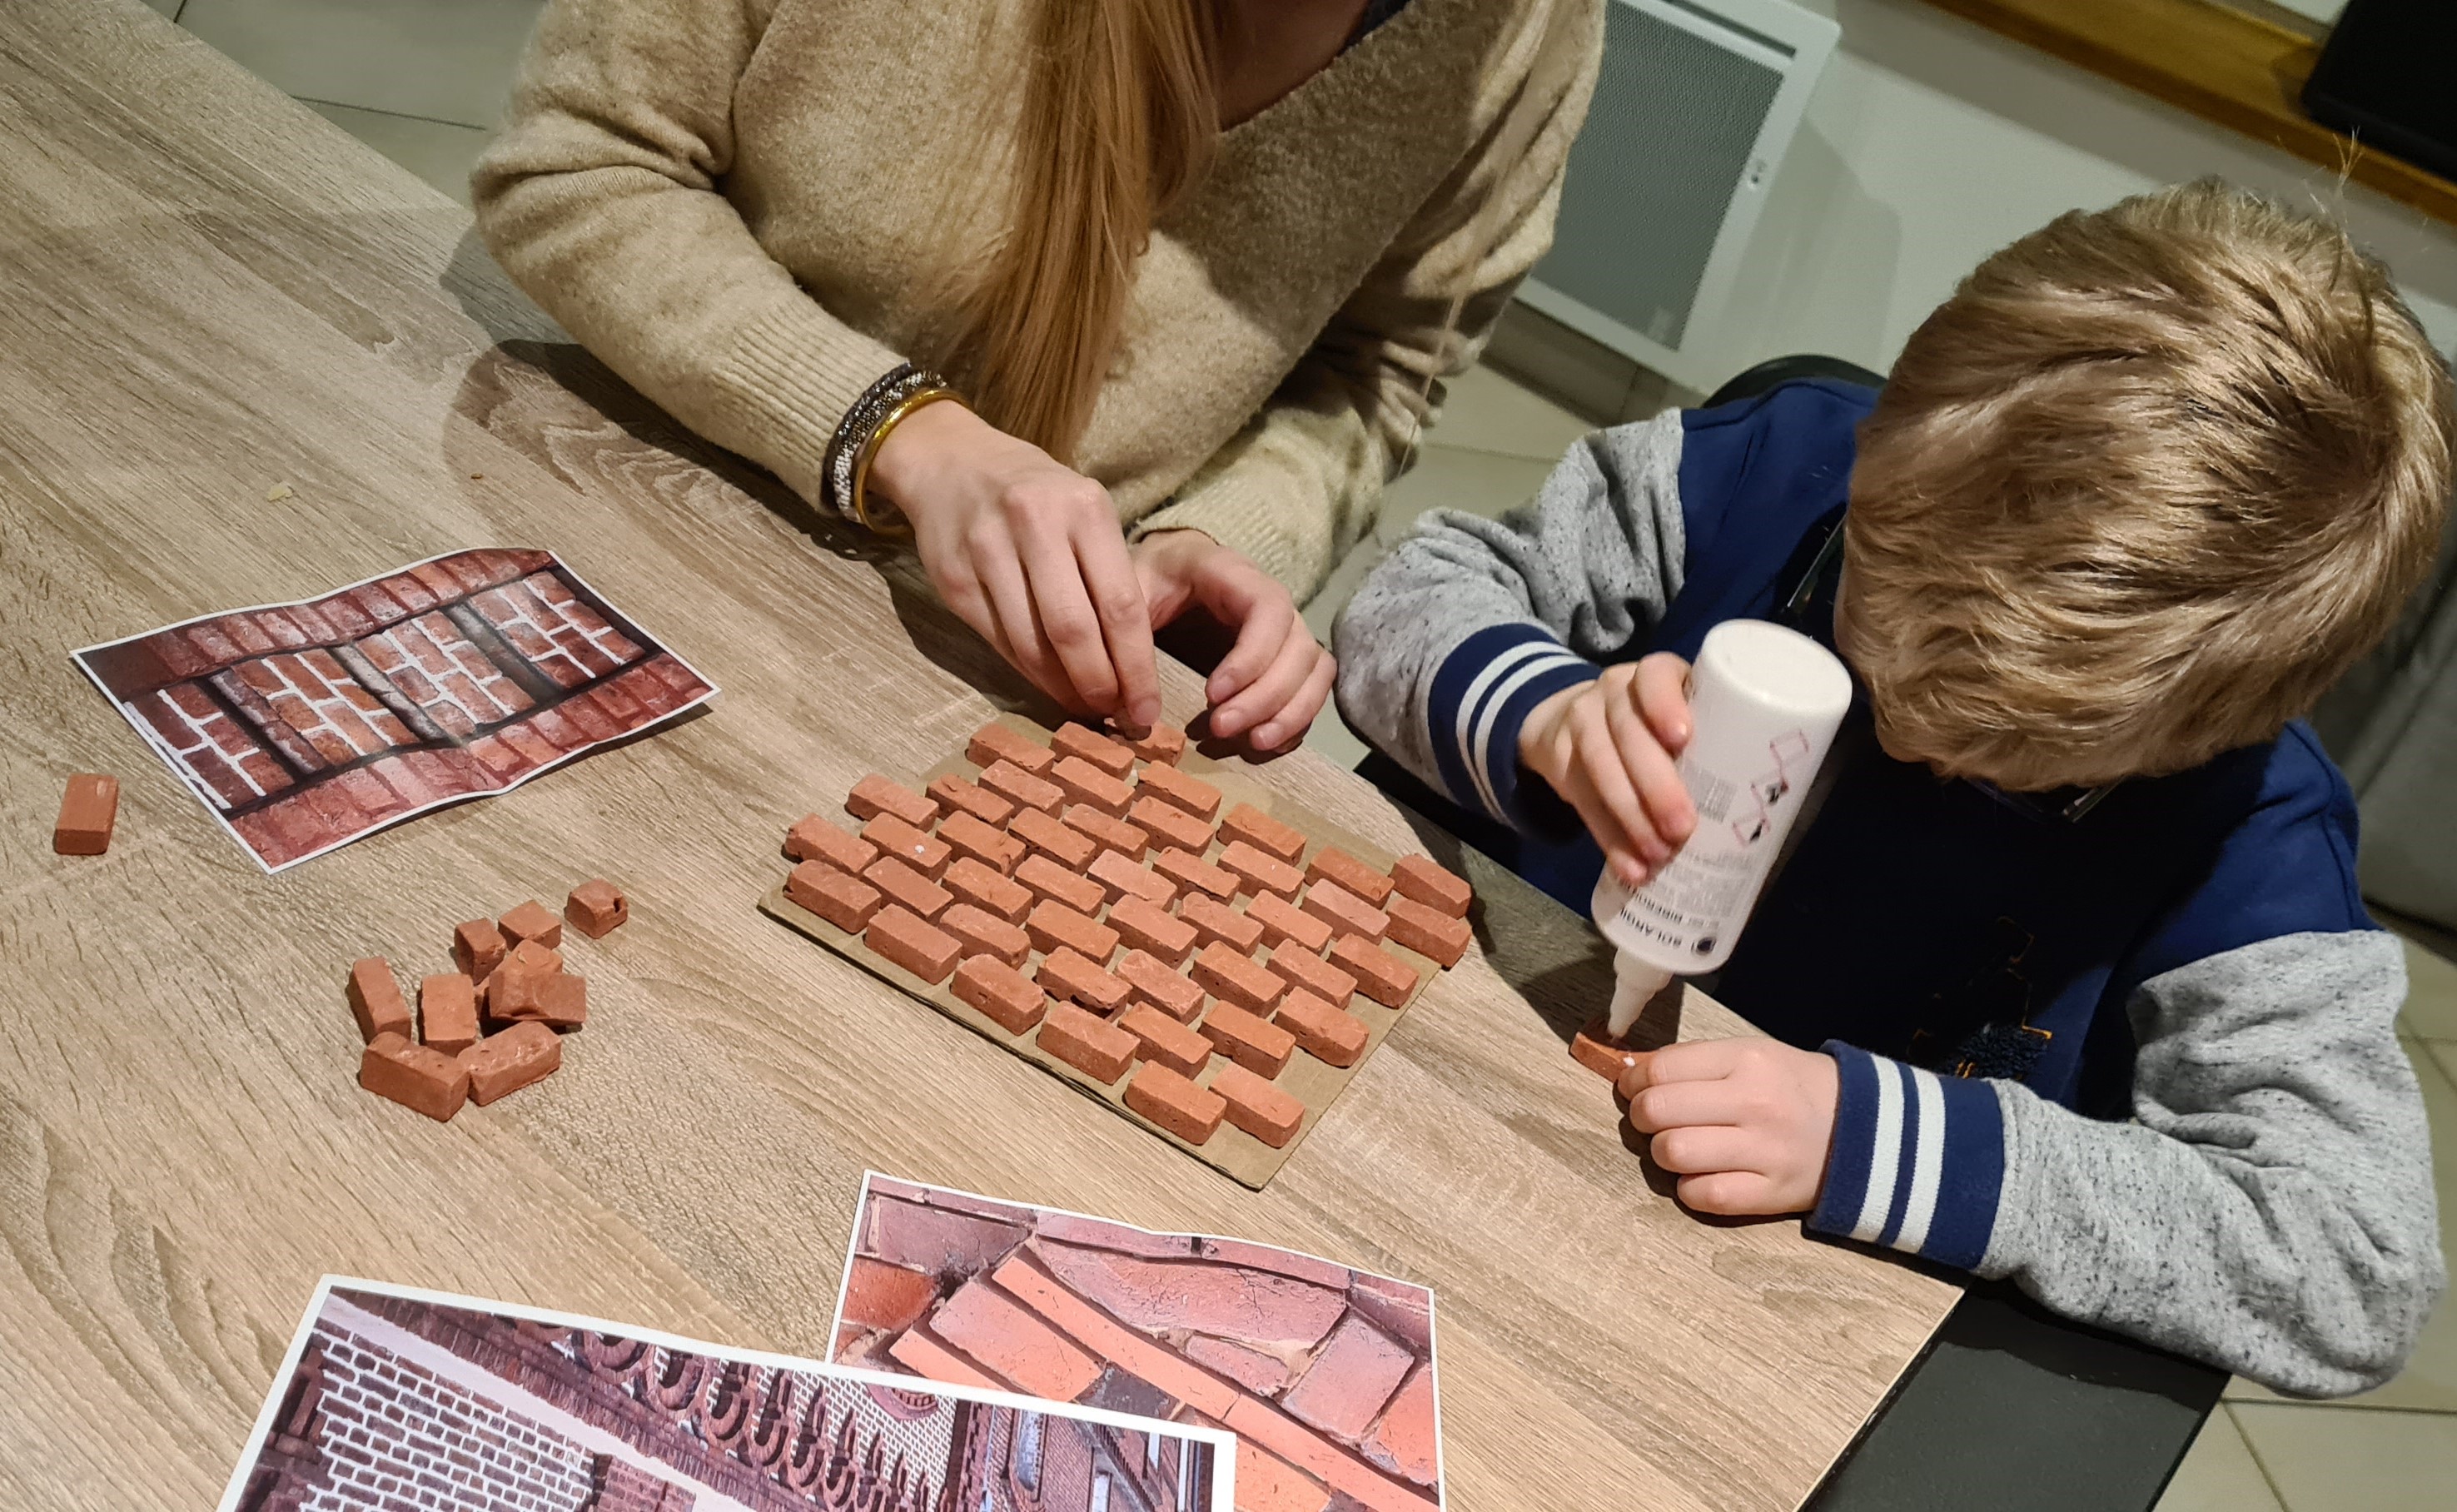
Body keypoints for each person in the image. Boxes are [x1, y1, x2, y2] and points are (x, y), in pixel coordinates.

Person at [1331, 182, 2453, 1395]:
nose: (1905, 734)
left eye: (2003, 754)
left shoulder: (2253, 834)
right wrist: (1542, 714)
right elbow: (1404, 601)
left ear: (2190, 737)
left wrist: (1887, 1145)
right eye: (1869, 625)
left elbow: (2357, 1270)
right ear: (1883, 446)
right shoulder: (1770, 469)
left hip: (1741, 1322)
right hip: (1438, 1070)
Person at [472, 0, 1602, 750]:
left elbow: (1378, 378)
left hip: (1005, 703)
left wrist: (1218, 542)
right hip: (610, 535)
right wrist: (904, 433)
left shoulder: (1534, 30)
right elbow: (584, 163)